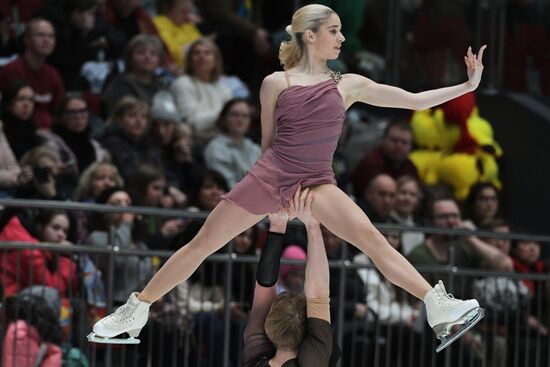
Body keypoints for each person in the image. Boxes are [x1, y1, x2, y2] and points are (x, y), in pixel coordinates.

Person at [90, 4, 487, 352]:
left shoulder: (347, 84)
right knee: (201, 245)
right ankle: (136, 309)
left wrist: (468, 85)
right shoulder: (275, 83)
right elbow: (268, 144)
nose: (342, 37)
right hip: (270, 176)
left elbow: (414, 101)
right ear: (310, 36)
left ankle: (438, 305)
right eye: (334, 30)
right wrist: (274, 205)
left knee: (373, 241)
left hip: (317, 181)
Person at [243, 188, 336, 366]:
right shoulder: (312, 359)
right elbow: (317, 292)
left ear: (268, 325)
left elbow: (265, 287)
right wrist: (307, 225)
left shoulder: (256, 358)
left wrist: (305, 225)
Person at [0, 18, 65, 129]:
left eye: (51, 36)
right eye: (40, 35)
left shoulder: (53, 74)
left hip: (49, 133)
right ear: (27, 40)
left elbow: (61, 111)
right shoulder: (11, 70)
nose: (46, 40)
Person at [350, 120, 418, 198]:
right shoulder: (371, 163)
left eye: (404, 142)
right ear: (384, 140)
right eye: (394, 140)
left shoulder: (410, 168)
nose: (399, 146)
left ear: (411, 146)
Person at [204, 98, 261, 188]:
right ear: (223, 119)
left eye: (245, 116)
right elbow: (226, 185)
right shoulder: (216, 148)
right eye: (234, 115)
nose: (240, 120)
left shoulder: (256, 149)